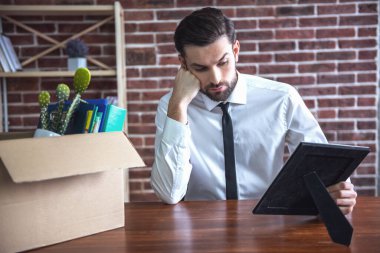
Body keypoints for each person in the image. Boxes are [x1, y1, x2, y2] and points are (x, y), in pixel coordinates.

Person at [150, 7, 357, 214]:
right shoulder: (172, 106)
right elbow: (169, 194)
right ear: (183, 64)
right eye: (200, 68)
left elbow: (322, 167)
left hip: (270, 223)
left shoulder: (281, 98)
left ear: (236, 51)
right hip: (202, 227)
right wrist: (178, 106)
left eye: (223, 63)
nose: (215, 78)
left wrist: (338, 193)